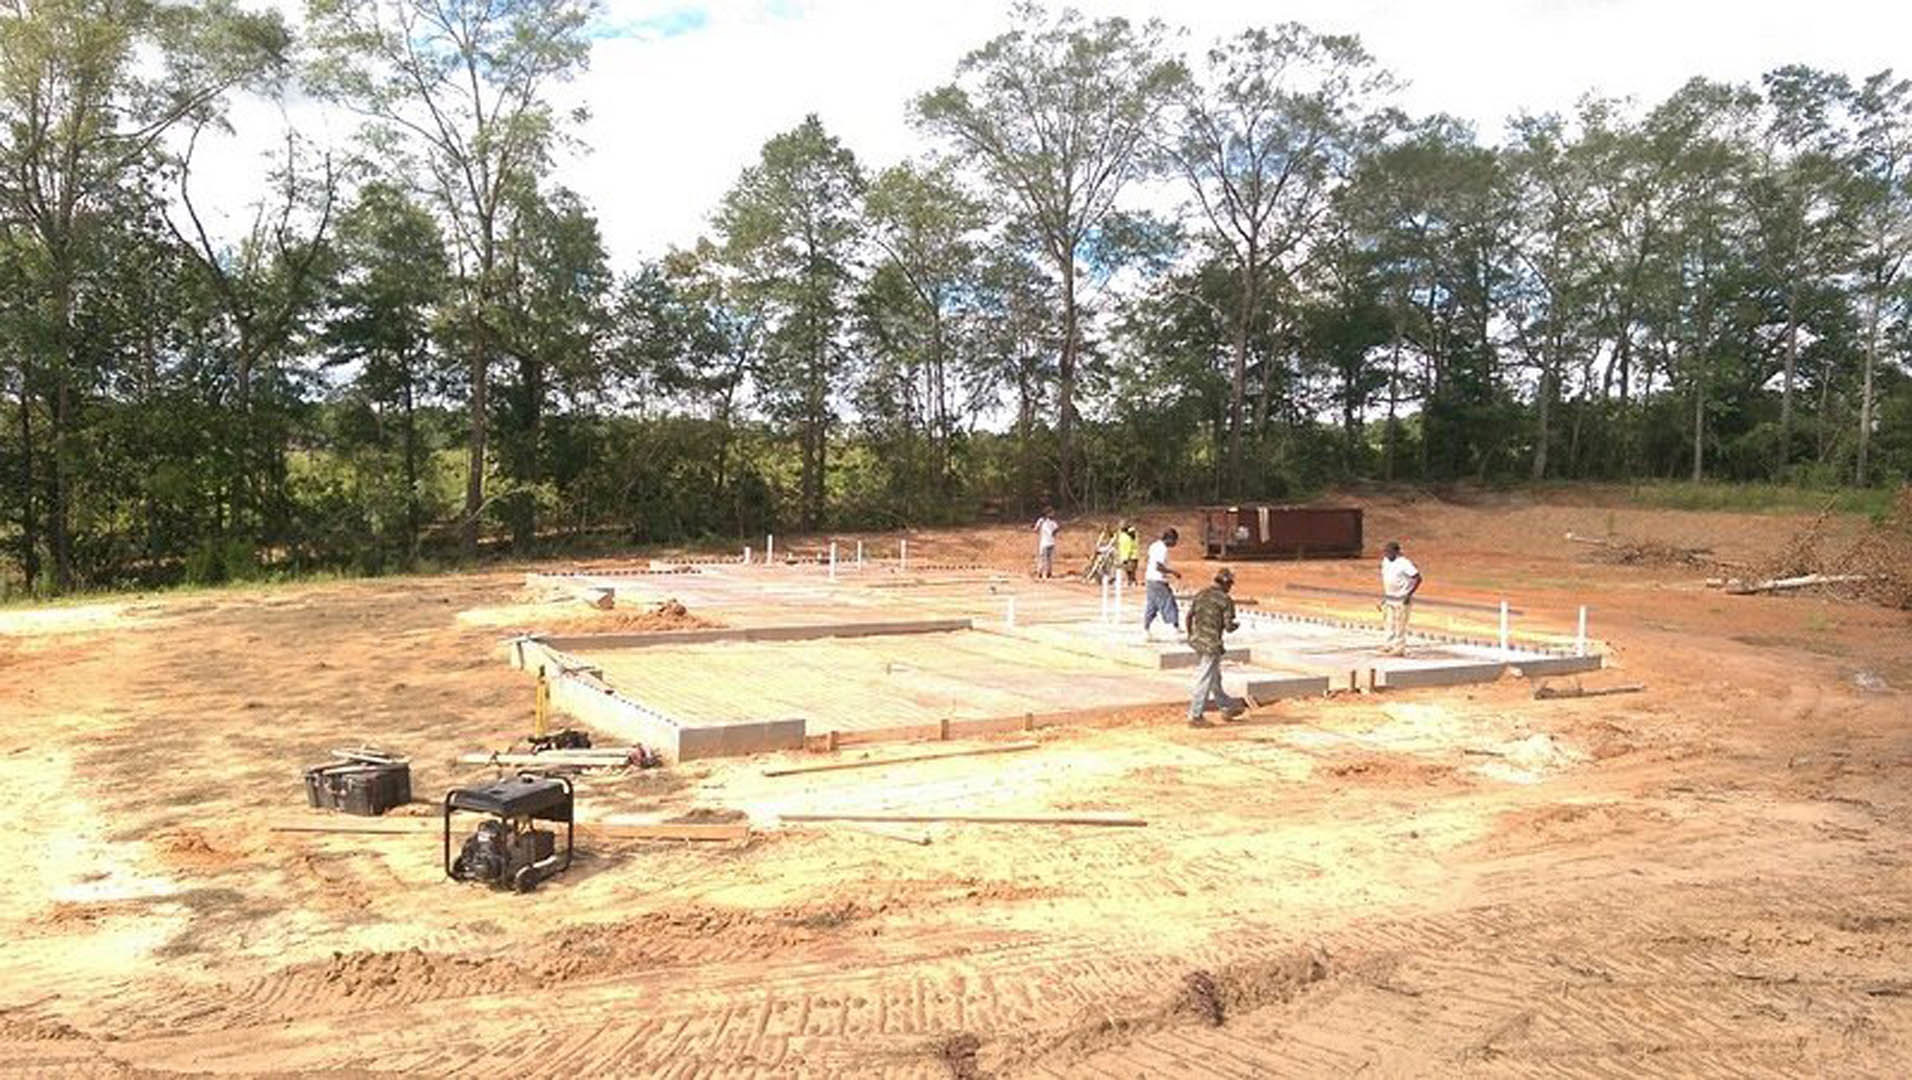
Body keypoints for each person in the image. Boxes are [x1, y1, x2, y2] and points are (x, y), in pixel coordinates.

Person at [1185, 568, 1248, 726]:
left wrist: (1190, 635)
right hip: (1211, 644)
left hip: (1197, 640)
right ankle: (1195, 714)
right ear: (1227, 584)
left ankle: (1226, 706)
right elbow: (1228, 627)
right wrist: (1235, 626)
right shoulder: (1225, 600)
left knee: (1214, 676)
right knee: (1205, 677)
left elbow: (1189, 616)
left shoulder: (1201, 594)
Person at [1379, 540, 1422, 656]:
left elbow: (1418, 578)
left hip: (1401, 598)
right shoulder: (1385, 562)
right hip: (1390, 597)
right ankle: (1389, 644)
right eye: (1386, 552)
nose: (1387, 554)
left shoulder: (1404, 563)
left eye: (1390, 552)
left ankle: (1399, 648)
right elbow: (1387, 579)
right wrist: (1385, 596)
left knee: (1400, 624)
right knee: (1389, 623)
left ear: (1396, 552)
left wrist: (1409, 594)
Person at [1142, 527, 1182, 639]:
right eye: (1174, 540)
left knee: (1152, 604)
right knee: (1168, 602)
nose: (1175, 543)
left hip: (1150, 578)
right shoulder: (1162, 549)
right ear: (1169, 539)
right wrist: (1173, 572)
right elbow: (1158, 566)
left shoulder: (1154, 545)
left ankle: (1146, 628)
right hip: (1158, 579)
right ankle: (1173, 626)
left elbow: (1149, 560)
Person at [1033, 507, 1060, 579]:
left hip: (1044, 542)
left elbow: (1035, 529)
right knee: (1049, 559)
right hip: (1051, 542)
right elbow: (1056, 530)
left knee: (1042, 558)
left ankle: (1040, 572)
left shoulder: (1041, 521)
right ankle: (1048, 573)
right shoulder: (1052, 522)